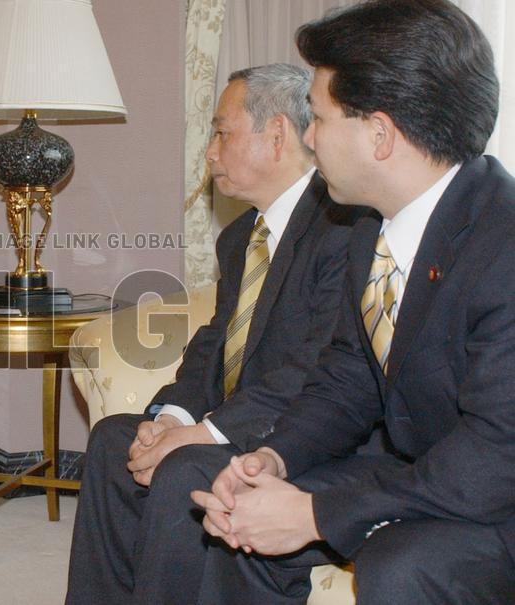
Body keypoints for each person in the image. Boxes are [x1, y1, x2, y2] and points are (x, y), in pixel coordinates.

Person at [191, 1, 515, 602]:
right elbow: (348, 379)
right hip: (429, 473)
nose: (308, 139)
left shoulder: (505, 244)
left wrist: (315, 515)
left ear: (380, 133)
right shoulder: (368, 229)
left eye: (317, 118)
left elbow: (496, 455)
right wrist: (275, 458)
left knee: (403, 563)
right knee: (243, 511)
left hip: (498, 490)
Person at [65, 64, 367, 604]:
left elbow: (318, 368)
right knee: (115, 439)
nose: (210, 152)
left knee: (187, 466)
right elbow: (213, 345)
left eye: (222, 132)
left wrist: (205, 434)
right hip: (240, 424)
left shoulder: (343, 230)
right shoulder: (240, 239)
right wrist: (172, 418)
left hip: (310, 439)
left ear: (276, 136)